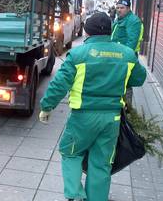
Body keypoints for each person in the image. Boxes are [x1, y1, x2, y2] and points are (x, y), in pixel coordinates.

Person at [38, 12, 146, 201]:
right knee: (102, 163)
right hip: (111, 119)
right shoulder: (127, 54)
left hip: (83, 117)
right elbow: (139, 78)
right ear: (110, 31)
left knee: (70, 152)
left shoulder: (78, 55)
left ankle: (75, 195)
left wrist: (47, 107)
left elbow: (59, 84)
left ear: (87, 32)